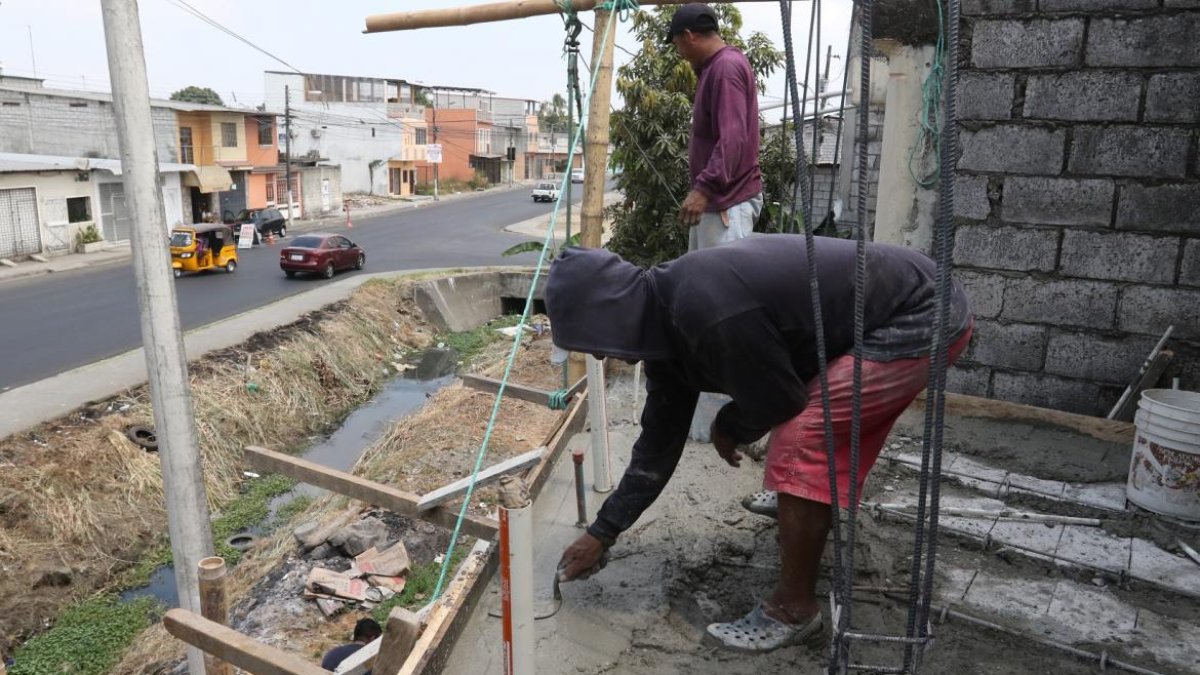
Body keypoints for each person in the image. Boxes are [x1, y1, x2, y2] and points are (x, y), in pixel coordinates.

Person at [546, 236, 973, 652]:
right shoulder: (666, 322)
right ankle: (798, 502)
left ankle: (792, 611)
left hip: (923, 314)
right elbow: (657, 446)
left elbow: (781, 399)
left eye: (592, 343)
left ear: (609, 315)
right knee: (797, 430)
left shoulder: (706, 310)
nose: (601, 358)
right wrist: (604, 532)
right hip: (885, 311)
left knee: (802, 435)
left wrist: (731, 422)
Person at [668, 3, 764, 250]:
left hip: (727, 203)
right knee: (702, 282)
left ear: (690, 36)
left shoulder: (724, 68)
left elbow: (732, 139)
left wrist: (703, 189)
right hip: (720, 203)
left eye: (678, 44)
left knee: (719, 286)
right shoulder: (715, 68)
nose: (680, 52)